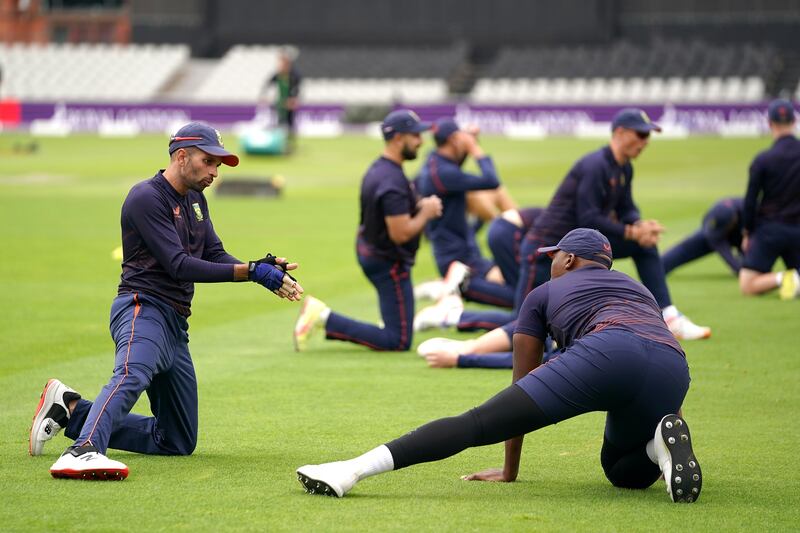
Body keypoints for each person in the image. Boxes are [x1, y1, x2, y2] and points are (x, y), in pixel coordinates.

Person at [295, 229, 702, 503]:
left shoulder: (545, 292)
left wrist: (509, 469)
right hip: (673, 367)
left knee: (476, 423)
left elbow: (520, 379)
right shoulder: (639, 289)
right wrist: (668, 416)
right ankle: (657, 447)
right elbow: (661, 344)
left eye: (554, 256)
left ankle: (351, 470)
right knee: (621, 471)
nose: (550, 263)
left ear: (571, 259)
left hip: (609, 351)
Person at [29, 122, 304, 480]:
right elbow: (179, 265)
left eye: (218, 165)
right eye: (208, 162)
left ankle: (72, 410)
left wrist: (259, 269)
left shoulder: (195, 199)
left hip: (174, 324)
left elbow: (214, 253)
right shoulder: (146, 197)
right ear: (181, 156)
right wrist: (250, 272)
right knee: (132, 373)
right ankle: (83, 449)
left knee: (177, 440)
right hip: (142, 307)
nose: (214, 172)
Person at [516, 108, 710, 340]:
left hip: (577, 254)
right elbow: (588, 218)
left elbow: (626, 207)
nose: (645, 142)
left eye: (647, 136)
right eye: (640, 135)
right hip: (546, 254)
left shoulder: (624, 167)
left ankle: (668, 316)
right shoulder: (595, 165)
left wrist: (640, 225)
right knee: (521, 324)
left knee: (645, 245)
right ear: (619, 133)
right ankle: (461, 315)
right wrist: (632, 232)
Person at [292, 110, 441, 351]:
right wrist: (427, 212)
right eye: (415, 135)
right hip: (388, 261)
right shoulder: (391, 179)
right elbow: (400, 233)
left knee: (397, 329)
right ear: (398, 138)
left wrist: (418, 206)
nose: (421, 141)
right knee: (398, 340)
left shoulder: (381, 169)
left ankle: (323, 316)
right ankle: (322, 316)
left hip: (373, 251)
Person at [415, 118, 517, 310]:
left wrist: (467, 141)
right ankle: (444, 299)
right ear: (454, 139)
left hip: (467, 254)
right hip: (458, 266)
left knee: (522, 286)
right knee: (521, 300)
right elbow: (491, 179)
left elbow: (455, 164)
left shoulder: (435, 160)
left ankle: (440, 287)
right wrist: (474, 147)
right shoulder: (445, 174)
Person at [738, 99, 800, 300]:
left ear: (769, 123)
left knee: (747, 285)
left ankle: (785, 278)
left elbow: (750, 201)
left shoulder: (763, 159)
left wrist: (747, 231)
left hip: (770, 231)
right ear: (794, 120)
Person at [662, 197, 744, 276]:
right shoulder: (712, 220)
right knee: (684, 249)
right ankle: (656, 268)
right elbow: (718, 243)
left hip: (748, 235)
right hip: (719, 233)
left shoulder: (752, 213)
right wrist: (738, 268)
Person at [265, 49, 301, 151]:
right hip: (280, 103)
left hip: (290, 103)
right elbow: (269, 84)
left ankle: (291, 144)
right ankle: (280, 144)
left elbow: (297, 88)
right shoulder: (278, 74)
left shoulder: (294, 74)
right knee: (280, 123)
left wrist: (293, 99)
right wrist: (266, 96)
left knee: (290, 123)